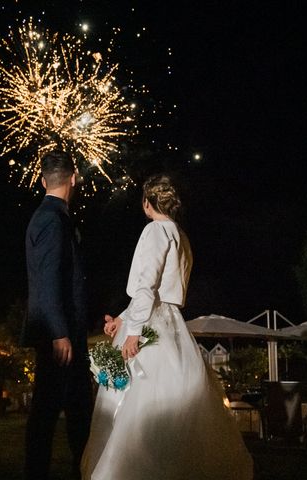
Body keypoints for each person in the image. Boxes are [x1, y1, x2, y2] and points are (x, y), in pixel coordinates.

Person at [81, 174, 254, 480]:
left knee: (140, 400)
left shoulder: (155, 231)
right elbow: (160, 289)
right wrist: (124, 317)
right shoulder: (181, 236)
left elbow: (147, 285)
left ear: (147, 204)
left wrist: (133, 331)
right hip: (172, 323)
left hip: (151, 325)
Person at [21, 150, 93, 480]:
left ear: (41, 180)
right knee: (65, 412)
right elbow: (48, 279)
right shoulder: (53, 219)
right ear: (74, 178)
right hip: (60, 334)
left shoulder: (49, 215)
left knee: (57, 411)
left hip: (57, 329)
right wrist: (60, 332)